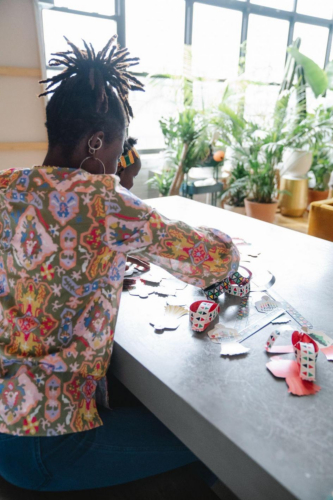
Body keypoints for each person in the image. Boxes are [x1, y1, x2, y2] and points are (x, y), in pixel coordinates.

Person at [0, 36, 239, 492]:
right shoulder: (105, 199)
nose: (115, 163)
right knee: (217, 445)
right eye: (116, 146)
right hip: (51, 444)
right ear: (95, 141)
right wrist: (230, 246)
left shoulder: (5, 185)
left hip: (5, 422)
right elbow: (213, 260)